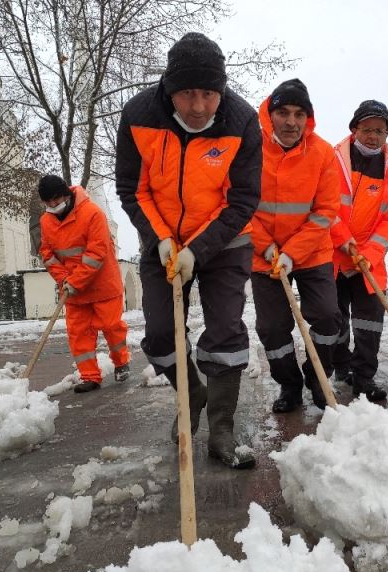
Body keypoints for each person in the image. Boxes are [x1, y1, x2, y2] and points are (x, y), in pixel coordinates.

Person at [115, 32, 261, 469]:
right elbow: (131, 189)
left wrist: (198, 249)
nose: (198, 107)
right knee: (160, 336)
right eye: (187, 94)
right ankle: (191, 393)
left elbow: (243, 199)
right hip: (162, 240)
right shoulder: (140, 115)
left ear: (222, 90)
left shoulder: (242, 121)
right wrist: (160, 238)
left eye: (209, 94)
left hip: (224, 240)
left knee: (225, 330)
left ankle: (222, 428)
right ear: (168, 88)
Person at [250, 79, 341, 413]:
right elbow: (239, 205)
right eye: (283, 112)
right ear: (270, 114)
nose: (291, 121)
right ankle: (289, 385)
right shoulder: (250, 148)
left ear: (308, 117)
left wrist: (292, 252)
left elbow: (326, 211)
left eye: (299, 114)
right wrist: (268, 249)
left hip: (312, 251)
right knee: (272, 328)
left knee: (327, 317)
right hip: (263, 256)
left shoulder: (322, 153)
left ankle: (318, 377)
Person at [331, 100, 388, 402]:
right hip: (333, 255)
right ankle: (340, 365)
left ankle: (364, 377)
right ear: (354, 129)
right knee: (333, 320)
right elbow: (323, 207)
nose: (373, 136)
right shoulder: (333, 161)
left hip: (367, 259)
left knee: (370, 320)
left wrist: (369, 252)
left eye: (380, 131)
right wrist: (345, 242)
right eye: (367, 129)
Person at [37, 174, 130, 393]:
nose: (53, 206)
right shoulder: (46, 221)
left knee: (111, 328)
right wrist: (63, 279)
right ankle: (89, 376)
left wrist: (76, 280)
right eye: (48, 203)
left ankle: (121, 362)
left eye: (56, 200)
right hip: (73, 291)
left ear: (66, 195)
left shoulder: (92, 214)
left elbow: (96, 252)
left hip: (103, 285)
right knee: (79, 334)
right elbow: (47, 254)